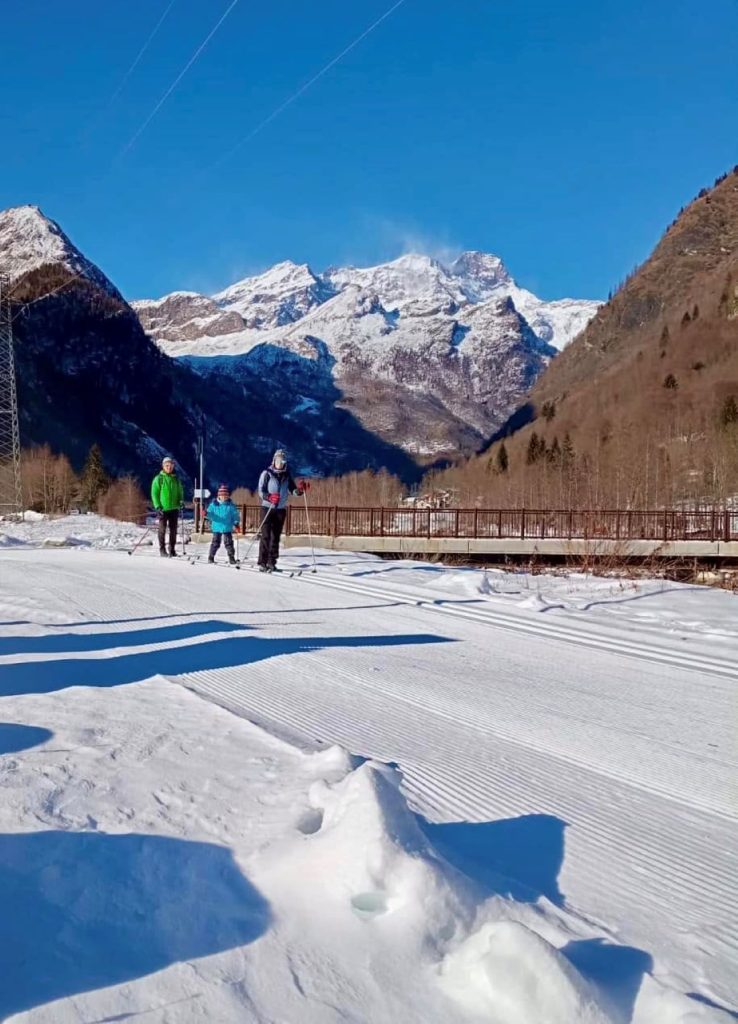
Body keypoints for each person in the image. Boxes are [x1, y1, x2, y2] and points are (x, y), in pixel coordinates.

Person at [257, 449, 303, 572]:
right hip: (267, 508)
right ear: (274, 460)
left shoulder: (286, 475)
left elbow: (292, 490)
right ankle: (262, 562)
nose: (280, 463)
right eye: (278, 460)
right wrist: (269, 497)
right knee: (266, 535)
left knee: (275, 537)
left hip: (280, 510)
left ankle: (272, 562)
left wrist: (299, 491)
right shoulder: (266, 474)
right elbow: (260, 491)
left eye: (282, 460)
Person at [151, 455, 184, 557]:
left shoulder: (176, 480)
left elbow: (180, 492)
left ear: (173, 466)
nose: (169, 467)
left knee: (173, 530)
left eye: (170, 465)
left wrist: (181, 502)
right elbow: (154, 493)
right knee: (162, 530)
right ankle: (162, 550)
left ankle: (172, 549)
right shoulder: (159, 479)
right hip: (163, 509)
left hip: (174, 509)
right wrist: (157, 506)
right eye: (167, 465)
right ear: (163, 466)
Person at [206, 484, 240, 564]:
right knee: (215, 543)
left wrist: (236, 523)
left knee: (229, 543)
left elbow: (235, 515)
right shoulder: (213, 505)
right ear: (219, 496)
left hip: (227, 527)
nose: (224, 497)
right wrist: (206, 513)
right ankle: (211, 556)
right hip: (217, 527)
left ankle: (231, 557)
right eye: (222, 495)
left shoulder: (231, 505)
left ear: (228, 496)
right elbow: (210, 514)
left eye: (226, 495)